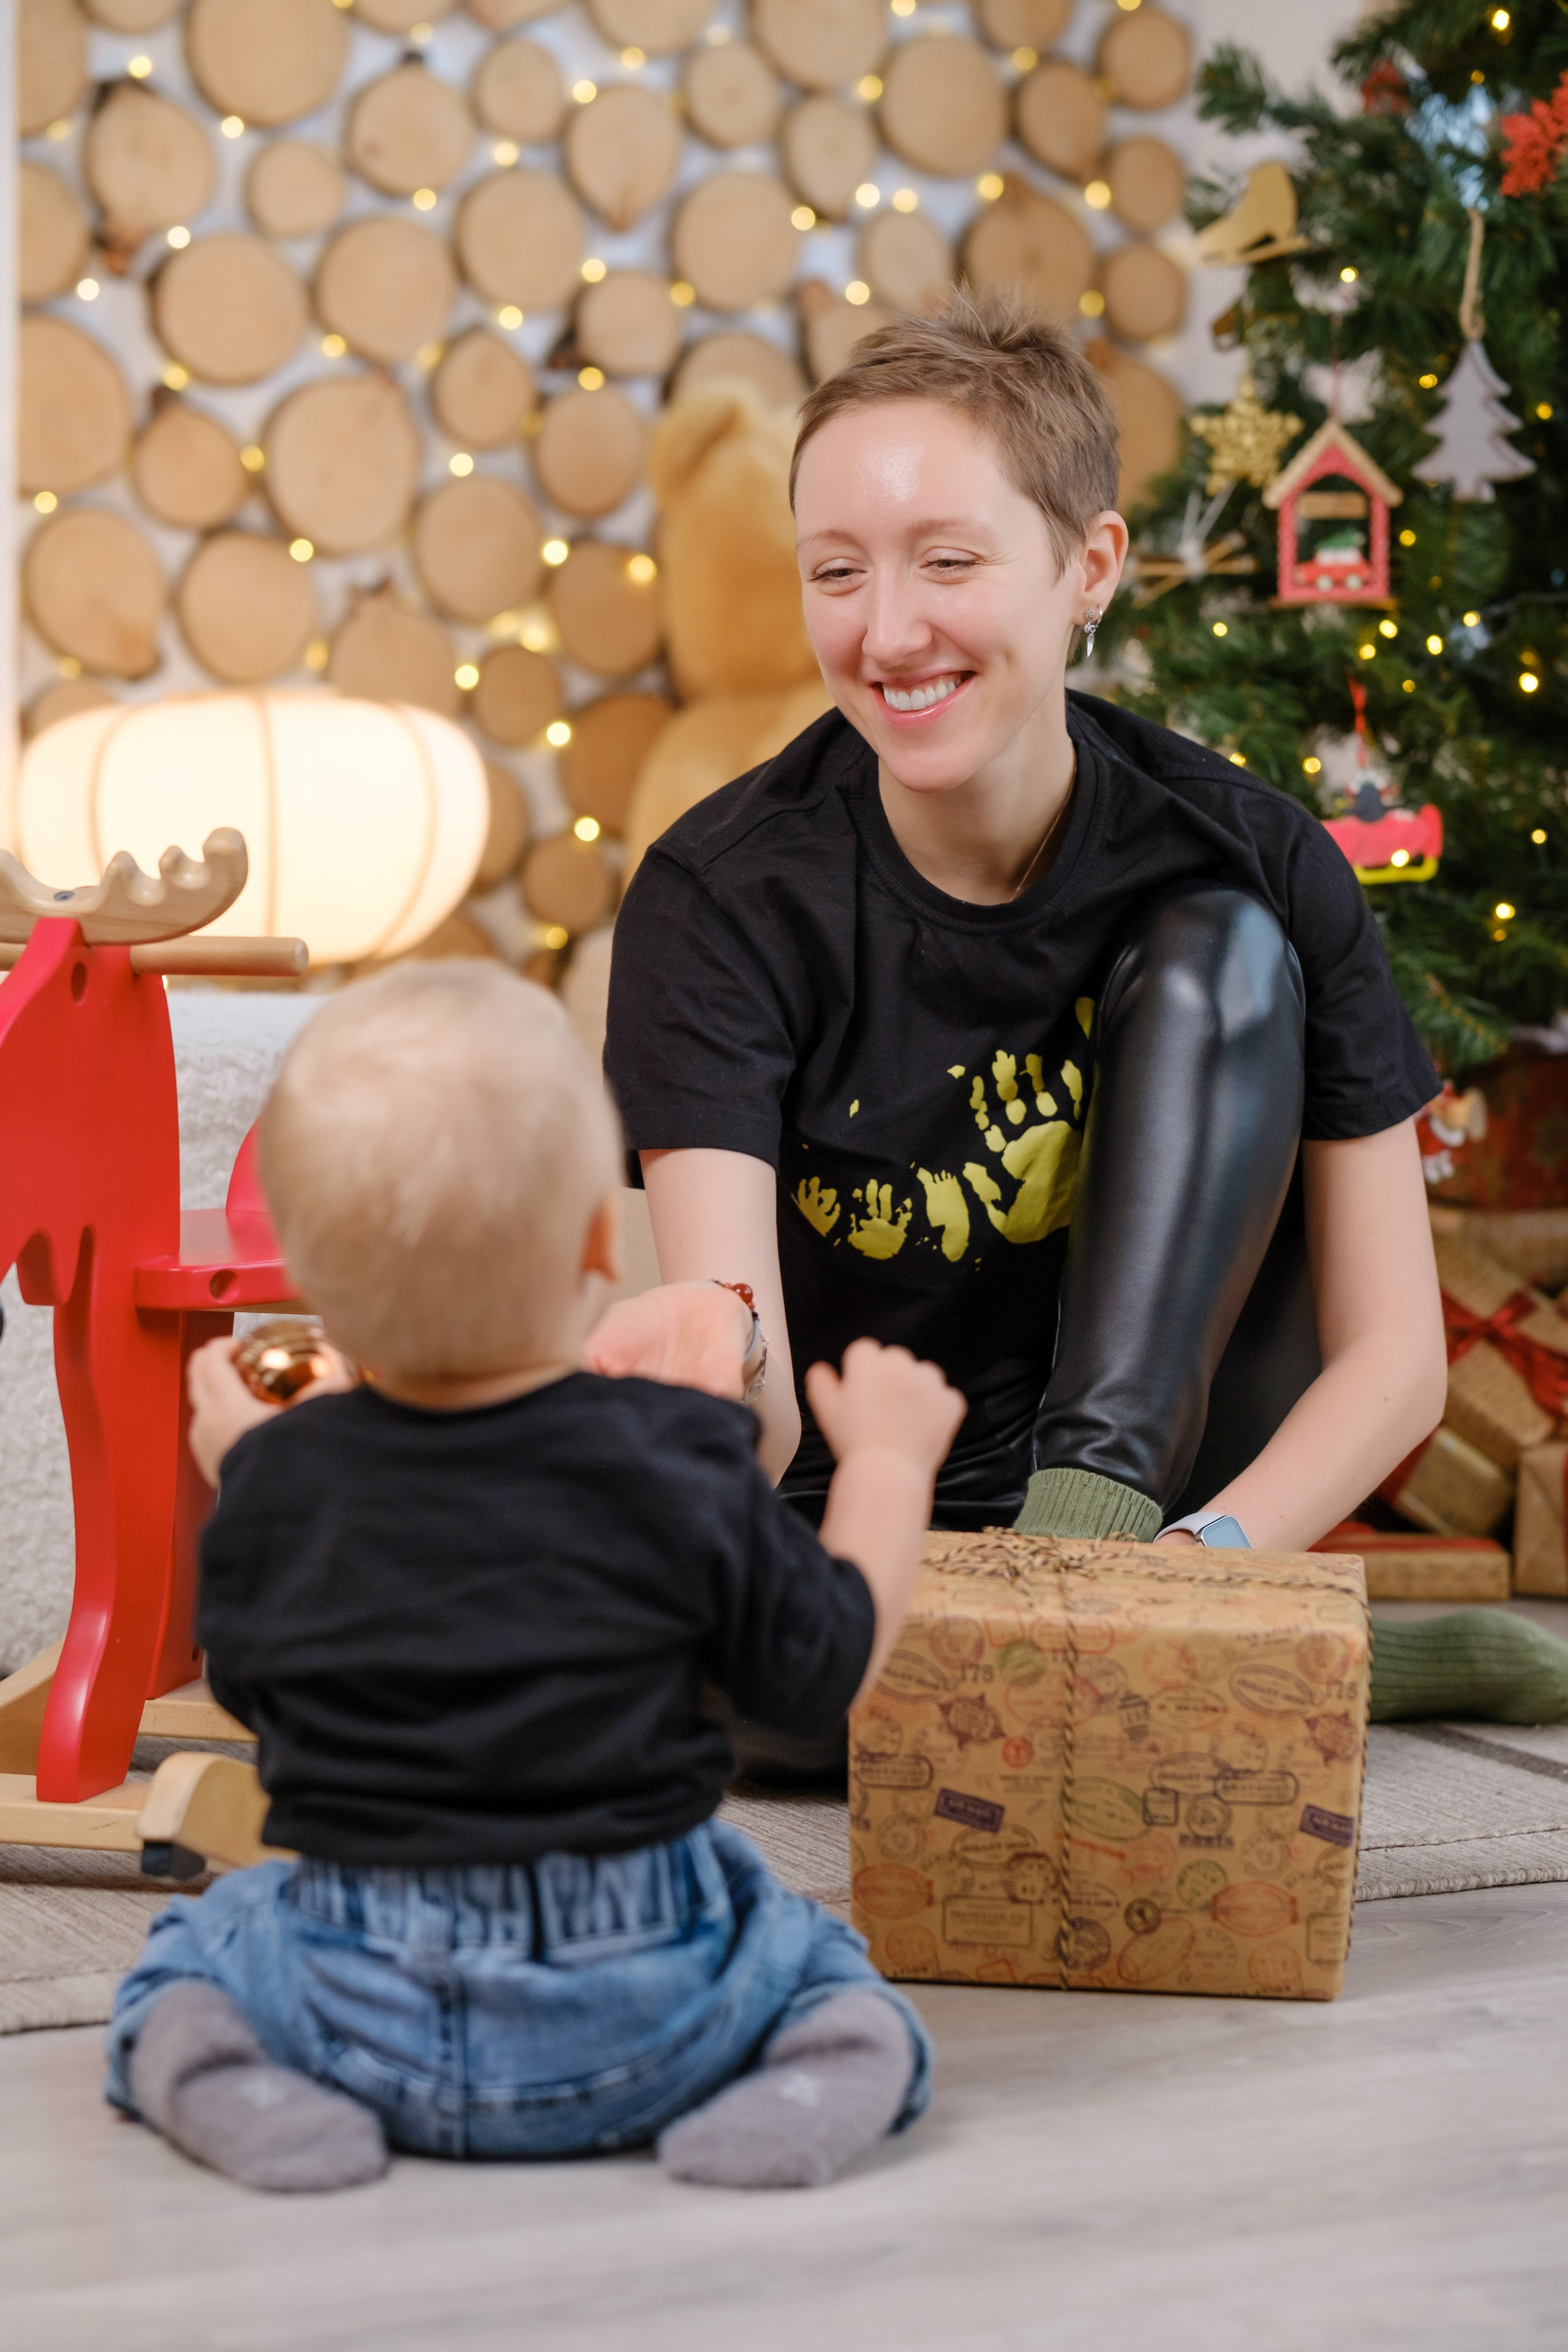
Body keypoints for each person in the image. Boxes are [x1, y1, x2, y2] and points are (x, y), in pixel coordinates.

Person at [599, 289, 1568, 1743]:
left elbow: (1392, 1361)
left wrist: (1197, 1563)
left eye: (947, 561)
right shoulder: (718, 898)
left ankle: (1109, 1584)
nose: (887, 630)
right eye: (836, 572)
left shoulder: (1254, 850)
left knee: (1222, 954)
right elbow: (769, 1412)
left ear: (1087, 566)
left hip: (1165, 1483)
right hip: (860, 1503)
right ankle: (1217, 1669)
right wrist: (715, 1345)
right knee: (694, 1689)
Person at [106, 963, 962, 2193]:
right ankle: (819, 2065)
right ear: (599, 1245)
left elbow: (252, 1689)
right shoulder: (680, 1453)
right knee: (805, 1944)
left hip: (361, 2009)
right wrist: (884, 1464)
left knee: (199, 1945)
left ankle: (225, 2079)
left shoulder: (288, 1478)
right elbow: (816, 1678)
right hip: (650, 2008)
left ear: (299, 1269)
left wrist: (253, 1477)